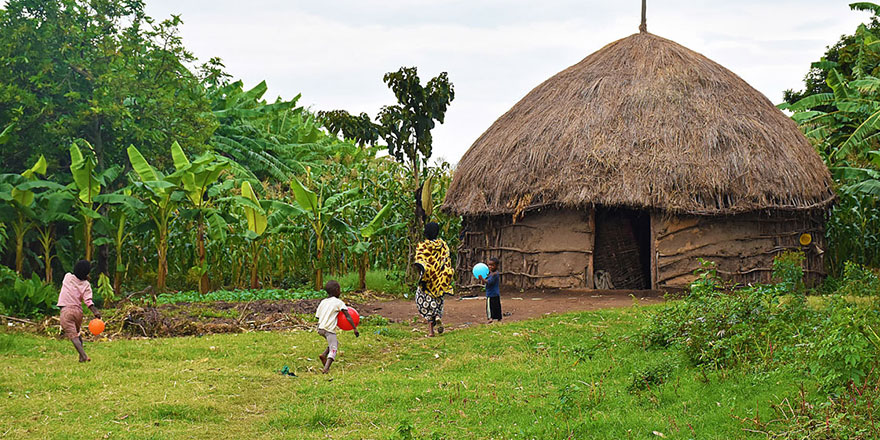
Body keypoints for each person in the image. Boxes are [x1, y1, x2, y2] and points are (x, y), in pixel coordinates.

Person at [413, 222, 454, 337]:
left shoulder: (423, 246)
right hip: (440, 279)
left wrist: (422, 275)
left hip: (428, 279)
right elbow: (447, 260)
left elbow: (420, 262)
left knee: (424, 300)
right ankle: (437, 316)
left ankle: (431, 331)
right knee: (437, 300)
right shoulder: (443, 245)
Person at [57, 260, 101, 362]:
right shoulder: (86, 285)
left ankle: (84, 355)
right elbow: (88, 301)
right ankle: (81, 357)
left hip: (66, 311)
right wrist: (95, 311)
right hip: (78, 312)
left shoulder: (67, 277)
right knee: (77, 334)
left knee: (73, 336)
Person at [315, 280, 359, 374]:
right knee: (333, 348)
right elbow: (347, 316)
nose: (340, 292)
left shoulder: (323, 302)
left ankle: (323, 355)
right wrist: (354, 328)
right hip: (329, 329)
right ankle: (326, 369)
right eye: (339, 290)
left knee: (334, 343)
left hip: (320, 328)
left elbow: (317, 316)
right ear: (336, 290)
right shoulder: (338, 302)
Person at [484, 257, 502, 323]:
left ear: (496, 266)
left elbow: (489, 282)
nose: (490, 266)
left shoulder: (494, 274)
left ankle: (490, 318)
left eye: (492, 265)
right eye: (489, 265)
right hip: (496, 293)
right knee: (497, 306)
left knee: (490, 307)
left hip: (491, 294)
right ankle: (499, 318)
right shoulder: (493, 273)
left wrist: (482, 279)